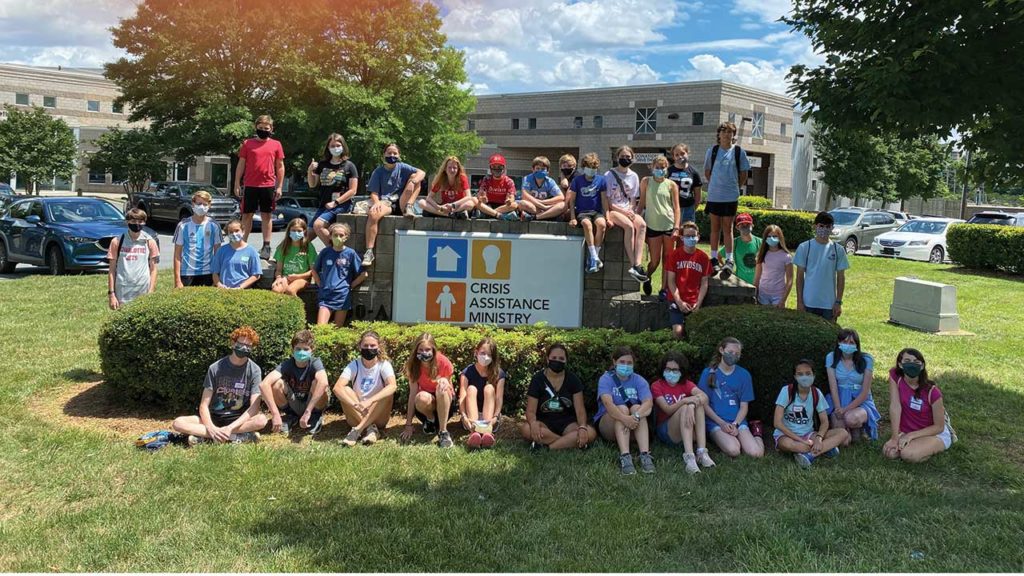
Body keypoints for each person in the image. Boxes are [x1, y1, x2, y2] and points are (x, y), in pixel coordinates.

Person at [171, 326, 268, 444]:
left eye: (248, 346)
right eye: (240, 343)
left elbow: (254, 407)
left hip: (238, 419)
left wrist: (230, 427)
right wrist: (211, 428)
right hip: (215, 417)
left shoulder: (254, 370)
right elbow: (203, 405)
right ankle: (234, 437)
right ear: (233, 343)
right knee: (178, 423)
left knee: (261, 420)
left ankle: (206, 438)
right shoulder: (215, 368)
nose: (244, 347)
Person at [519, 344, 597, 451]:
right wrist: (533, 423)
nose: (557, 361)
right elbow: (530, 410)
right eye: (554, 358)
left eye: (561, 358)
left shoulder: (573, 379)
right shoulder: (537, 379)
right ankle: (568, 442)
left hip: (568, 423)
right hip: (544, 423)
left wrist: (582, 427)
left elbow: (580, 410)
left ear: (566, 360)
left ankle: (548, 447)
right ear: (547, 359)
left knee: (590, 433)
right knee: (526, 429)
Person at [773, 360, 848, 468]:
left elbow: (824, 422)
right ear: (795, 376)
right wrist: (801, 440)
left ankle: (810, 455)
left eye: (808, 373)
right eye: (800, 374)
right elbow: (777, 423)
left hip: (809, 434)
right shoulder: (787, 391)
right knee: (791, 445)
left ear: (814, 375)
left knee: (843, 433)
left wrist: (818, 439)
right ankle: (825, 448)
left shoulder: (816, 393)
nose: (804, 377)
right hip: (786, 435)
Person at [883, 348, 954, 463]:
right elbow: (895, 406)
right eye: (907, 361)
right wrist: (894, 437)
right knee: (890, 453)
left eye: (916, 362)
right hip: (907, 431)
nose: (911, 365)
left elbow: (939, 427)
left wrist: (911, 436)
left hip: (933, 433)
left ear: (922, 366)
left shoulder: (933, 392)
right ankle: (914, 445)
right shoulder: (895, 377)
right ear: (900, 364)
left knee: (908, 454)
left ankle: (931, 447)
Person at [697, 337, 764, 458]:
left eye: (737, 353)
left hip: (737, 421)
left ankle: (757, 433)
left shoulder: (744, 375)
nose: (734, 355)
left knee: (756, 453)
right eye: (730, 352)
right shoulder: (708, 373)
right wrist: (721, 423)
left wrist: (736, 424)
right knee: (733, 450)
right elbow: (704, 404)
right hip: (716, 422)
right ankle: (718, 437)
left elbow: (744, 406)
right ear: (722, 350)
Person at [650, 352, 716, 474]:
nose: (671, 372)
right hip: (667, 430)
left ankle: (702, 452)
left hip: (686, 427)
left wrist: (692, 404)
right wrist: (686, 401)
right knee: (686, 407)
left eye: (675, 370)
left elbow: (704, 396)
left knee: (698, 405)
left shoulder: (686, 384)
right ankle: (689, 457)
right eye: (668, 369)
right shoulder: (657, 385)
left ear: (681, 371)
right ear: (663, 369)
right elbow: (667, 409)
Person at [363, 143, 426, 266]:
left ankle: (409, 206)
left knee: (415, 177)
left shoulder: (403, 167)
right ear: (384, 155)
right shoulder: (378, 172)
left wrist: (413, 181)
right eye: (389, 153)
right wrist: (376, 204)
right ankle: (369, 251)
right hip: (386, 203)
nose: (392, 155)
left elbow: (422, 173)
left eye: (395, 153)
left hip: (402, 201)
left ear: (399, 155)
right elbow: (374, 193)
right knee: (373, 214)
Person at [595, 346, 654, 475]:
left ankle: (645, 454)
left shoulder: (639, 380)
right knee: (621, 408)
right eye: (622, 362)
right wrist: (625, 419)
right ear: (614, 362)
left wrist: (636, 416)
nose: (625, 365)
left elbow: (648, 403)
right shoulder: (606, 379)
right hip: (609, 424)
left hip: (633, 426)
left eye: (629, 363)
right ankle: (625, 456)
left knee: (637, 408)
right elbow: (607, 403)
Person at [233, 114, 285, 260]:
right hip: (250, 184)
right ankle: (242, 243)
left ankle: (266, 246)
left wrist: (279, 186)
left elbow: (280, 166)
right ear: (256, 128)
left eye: (266, 128)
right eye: (260, 128)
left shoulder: (276, 144)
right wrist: (237, 183)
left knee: (266, 215)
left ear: (271, 129)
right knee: (247, 215)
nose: (263, 130)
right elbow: (241, 164)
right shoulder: (247, 143)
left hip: (268, 184)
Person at [259, 329, 328, 436]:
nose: (301, 352)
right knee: (277, 384)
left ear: (312, 350)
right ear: (293, 350)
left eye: (306, 349)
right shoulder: (287, 364)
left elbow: (324, 383)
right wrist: (275, 414)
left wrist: (308, 411)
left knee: (318, 383)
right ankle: (291, 416)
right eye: (298, 349)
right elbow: (264, 384)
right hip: (294, 403)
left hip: (312, 405)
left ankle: (315, 416)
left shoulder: (315, 362)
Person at [334, 330, 397, 447]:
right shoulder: (354, 365)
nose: (369, 348)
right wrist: (355, 405)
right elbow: (337, 388)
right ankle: (371, 430)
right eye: (365, 345)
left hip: (378, 415)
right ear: (360, 346)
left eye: (372, 346)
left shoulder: (384, 364)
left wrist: (370, 400)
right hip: (357, 412)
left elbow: (393, 386)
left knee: (387, 392)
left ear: (379, 347)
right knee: (345, 390)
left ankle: (357, 431)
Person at [703, 122, 750, 278]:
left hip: (730, 196)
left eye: (730, 132)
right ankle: (714, 258)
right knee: (715, 228)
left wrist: (733, 186)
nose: (727, 134)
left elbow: (743, 174)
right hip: (715, 196)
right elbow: (707, 172)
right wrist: (717, 185)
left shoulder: (738, 152)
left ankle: (729, 260)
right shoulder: (713, 151)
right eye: (724, 131)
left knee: (728, 228)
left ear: (733, 135)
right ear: (719, 134)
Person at [400, 333, 456, 448]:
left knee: (442, 388)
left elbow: (449, 386)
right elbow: (412, 394)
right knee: (421, 397)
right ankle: (430, 420)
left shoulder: (443, 362)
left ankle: (443, 432)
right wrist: (408, 424)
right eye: (420, 350)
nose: (424, 353)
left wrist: (444, 380)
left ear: (434, 349)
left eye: (427, 349)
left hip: (445, 402)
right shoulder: (413, 366)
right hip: (425, 406)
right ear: (416, 350)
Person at [826, 329, 881, 443]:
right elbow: (833, 387)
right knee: (845, 441)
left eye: (851, 343)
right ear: (838, 343)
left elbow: (865, 391)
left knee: (851, 418)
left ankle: (859, 427)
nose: (848, 345)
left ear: (857, 345)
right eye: (845, 342)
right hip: (839, 399)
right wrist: (838, 408)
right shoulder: (831, 357)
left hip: (860, 400)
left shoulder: (866, 359)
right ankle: (851, 432)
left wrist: (845, 410)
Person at [794, 211, 849, 321]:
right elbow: (799, 277)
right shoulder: (805, 247)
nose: (824, 229)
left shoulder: (838, 250)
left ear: (832, 228)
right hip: (808, 302)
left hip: (829, 304)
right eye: (821, 226)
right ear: (815, 226)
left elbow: (841, 277)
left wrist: (838, 302)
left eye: (828, 226)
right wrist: (800, 301)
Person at [605, 145, 648, 283]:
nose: (625, 159)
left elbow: (633, 198)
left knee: (641, 224)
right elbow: (608, 201)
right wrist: (624, 212)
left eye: (628, 157)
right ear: (617, 158)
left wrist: (631, 210)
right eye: (622, 157)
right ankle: (633, 264)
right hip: (614, 210)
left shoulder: (634, 176)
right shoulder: (609, 175)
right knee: (629, 226)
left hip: (628, 209)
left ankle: (638, 263)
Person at [639, 154, 681, 297]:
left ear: (666, 168)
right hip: (652, 226)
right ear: (652, 167)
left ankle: (664, 289)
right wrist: (637, 220)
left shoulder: (671, 185)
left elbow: (676, 208)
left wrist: (676, 227)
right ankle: (647, 276)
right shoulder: (646, 181)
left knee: (668, 260)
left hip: (668, 226)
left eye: (663, 168)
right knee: (655, 260)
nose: (660, 170)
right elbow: (641, 203)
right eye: (657, 167)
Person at [308, 133, 359, 245]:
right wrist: (310, 170)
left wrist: (336, 202)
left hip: (341, 205)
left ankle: (337, 251)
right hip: (323, 205)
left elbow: (353, 190)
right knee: (306, 237)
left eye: (338, 145)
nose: (335, 148)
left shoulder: (349, 165)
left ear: (343, 146)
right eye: (332, 146)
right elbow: (312, 184)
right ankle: (281, 255)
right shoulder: (322, 164)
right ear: (328, 147)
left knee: (318, 225)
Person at [312, 222, 365, 327]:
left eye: (341, 235)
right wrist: (319, 283)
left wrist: (350, 286)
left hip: (342, 295)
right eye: (335, 235)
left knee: (338, 329)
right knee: (320, 328)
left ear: (346, 237)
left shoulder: (350, 253)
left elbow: (363, 274)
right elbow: (314, 270)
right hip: (325, 295)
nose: (338, 237)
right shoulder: (325, 252)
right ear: (330, 236)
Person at [665, 221, 711, 340]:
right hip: (676, 299)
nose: (691, 238)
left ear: (698, 237)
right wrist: (679, 302)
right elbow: (671, 281)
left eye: (693, 236)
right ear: (682, 238)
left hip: (694, 301)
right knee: (678, 332)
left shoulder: (703, 257)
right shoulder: (674, 255)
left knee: (696, 333)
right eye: (687, 236)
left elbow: (704, 282)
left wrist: (699, 302)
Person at [458, 337, 506, 450]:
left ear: (493, 357)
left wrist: (495, 417)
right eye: (482, 353)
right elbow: (462, 397)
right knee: (471, 389)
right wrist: (464, 416)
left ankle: (487, 433)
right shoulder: (467, 372)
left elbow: (499, 398)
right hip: (470, 417)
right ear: (476, 352)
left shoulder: (499, 373)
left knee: (489, 388)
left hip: (490, 418)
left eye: (489, 355)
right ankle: (474, 433)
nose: (485, 357)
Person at [107, 207, 158, 309]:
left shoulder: (149, 241)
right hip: (122, 288)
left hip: (143, 288)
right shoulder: (117, 241)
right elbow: (112, 270)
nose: (137, 224)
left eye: (140, 221)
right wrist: (111, 294)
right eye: (133, 221)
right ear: (127, 222)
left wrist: (151, 291)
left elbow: (154, 269)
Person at [567, 152, 609, 274]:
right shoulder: (577, 180)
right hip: (582, 212)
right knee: (587, 225)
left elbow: (604, 199)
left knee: (602, 225)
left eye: (594, 168)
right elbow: (572, 200)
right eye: (589, 167)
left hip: (596, 212)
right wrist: (573, 217)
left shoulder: (601, 180)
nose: (592, 170)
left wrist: (607, 216)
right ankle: (593, 256)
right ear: (584, 167)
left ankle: (594, 256)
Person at [172, 189, 220, 287]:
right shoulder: (182, 226)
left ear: (209, 206)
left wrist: (217, 277)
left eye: (205, 204)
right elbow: (177, 255)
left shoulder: (214, 225)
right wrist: (177, 280)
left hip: (208, 272)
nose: (201, 207)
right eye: (198, 203)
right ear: (193, 204)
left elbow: (218, 254)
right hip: (187, 273)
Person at [271, 218, 317, 297]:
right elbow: (279, 270)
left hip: (302, 278)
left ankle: (296, 308)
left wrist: (296, 276)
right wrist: (278, 278)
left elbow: (312, 271)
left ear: (304, 231)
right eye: (293, 230)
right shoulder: (283, 247)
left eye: (299, 231)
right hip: (286, 277)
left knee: (290, 290)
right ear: (289, 231)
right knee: (276, 290)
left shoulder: (308, 247)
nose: (296, 233)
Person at [212, 219, 262, 289]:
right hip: (224, 290)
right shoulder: (221, 251)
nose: (234, 234)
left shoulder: (251, 251)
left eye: (237, 230)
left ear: (243, 231)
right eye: (231, 232)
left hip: (243, 291)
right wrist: (220, 285)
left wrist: (241, 287)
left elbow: (256, 274)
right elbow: (215, 273)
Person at [753, 224, 793, 307]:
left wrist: (783, 300)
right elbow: (757, 277)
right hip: (762, 294)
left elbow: (790, 280)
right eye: (769, 236)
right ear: (765, 238)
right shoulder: (761, 255)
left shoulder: (786, 256)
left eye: (775, 236)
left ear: (780, 237)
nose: (772, 238)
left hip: (778, 296)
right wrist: (755, 295)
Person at [520, 156, 566, 221]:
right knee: (523, 203)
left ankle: (536, 217)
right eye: (537, 168)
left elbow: (561, 197)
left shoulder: (550, 181)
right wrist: (541, 205)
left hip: (546, 206)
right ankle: (549, 215)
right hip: (534, 206)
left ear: (547, 171)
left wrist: (543, 202)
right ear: (533, 169)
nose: (540, 171)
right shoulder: (527, 179)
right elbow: (525, 196)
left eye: (543, 169)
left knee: (563, 205)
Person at [476, 154, 520, 220]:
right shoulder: (486, 179)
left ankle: (489, 214)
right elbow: (480, 194)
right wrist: (481, 198)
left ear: (504, 168)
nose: (496, 169)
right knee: (475, 202)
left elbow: (512, 197)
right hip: (489, 204)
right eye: (494, 166)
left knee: (515, 205)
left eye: (499, 167)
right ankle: (500, 215)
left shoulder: (509, 181)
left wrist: (509, 200)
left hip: (503, 206)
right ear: (490, 168)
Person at [667, 143, 703, 224]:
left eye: (683, 153)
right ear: (673, 157)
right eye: (677, 155)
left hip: (688, 209)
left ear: (687, 153)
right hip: (670, 208)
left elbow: (698, 194)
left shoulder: (694, 172)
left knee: (687, 233)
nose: (680, 156)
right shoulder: (668, 171)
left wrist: (693, 208)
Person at [730, 212, 762, 285]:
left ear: (752, 226)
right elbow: (719, 256)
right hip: (740, 283)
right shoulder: (734, 243)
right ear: (737, 227)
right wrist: (730, 272)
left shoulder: (760, 242)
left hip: (758, 283)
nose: (745, 226)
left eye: (747, 224)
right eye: (742, 225)